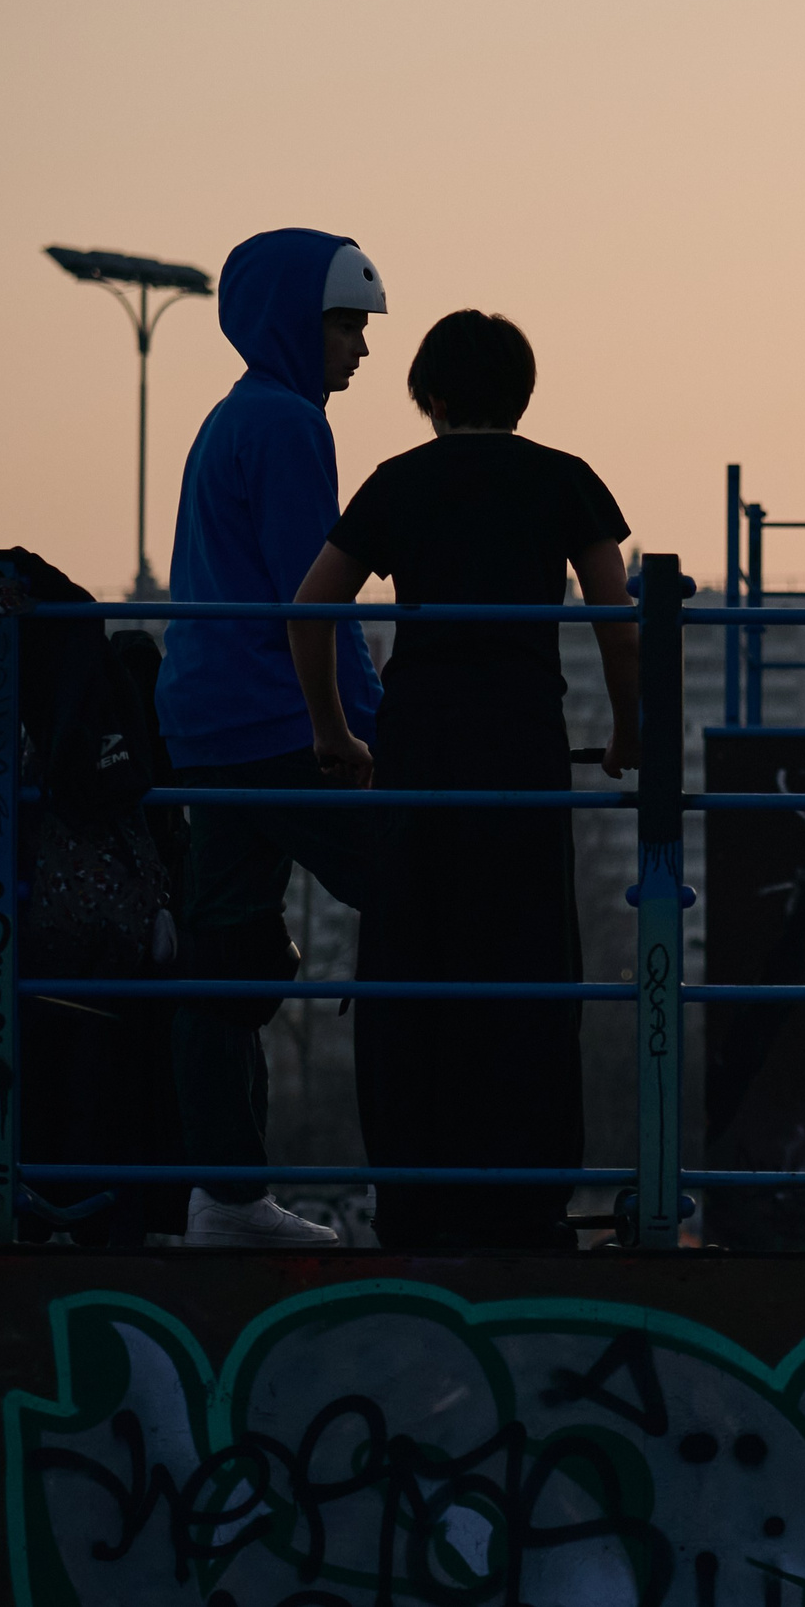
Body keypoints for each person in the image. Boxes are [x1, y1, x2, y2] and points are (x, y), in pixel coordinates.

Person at [288, 309, 638, 1249]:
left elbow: (311, 609)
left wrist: (333, 732)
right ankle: (526, 1206)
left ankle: (414, 1202)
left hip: (419, 753)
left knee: (412, 975)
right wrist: (630, 728)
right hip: (521, 750)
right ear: (521, 394)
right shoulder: (564, 478)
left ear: (432, 397)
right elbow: (618, 620)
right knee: (528, 976)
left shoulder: (397, 482)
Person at [156, 229, 390, 1247]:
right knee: (422, 897)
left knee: (226, 955)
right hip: (279, 722)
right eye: (344, 325)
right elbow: (316, 601)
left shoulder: (229, 418)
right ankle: (433, 1171)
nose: (361, 347)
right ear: (298, 322)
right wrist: (363, 727)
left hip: (204, 724)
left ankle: (227, 1195)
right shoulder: (292, 426)